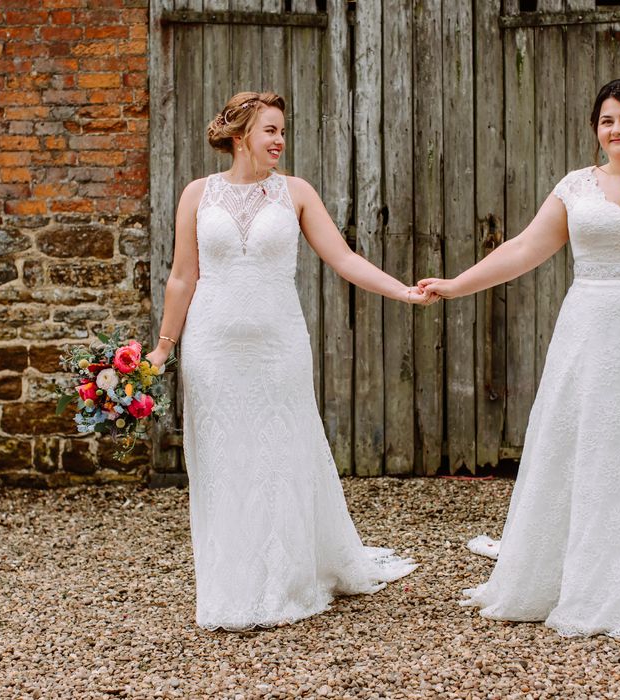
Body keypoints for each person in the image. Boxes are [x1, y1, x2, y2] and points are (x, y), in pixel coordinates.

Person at [146, 91, 431, 630]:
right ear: (239, 135)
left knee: (280, 452)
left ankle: (283, 579)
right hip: (213, 346)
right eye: (270, 130)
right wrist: (164, 345)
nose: (279, 141)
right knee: (225, 458)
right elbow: (184, 275)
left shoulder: (295, 193)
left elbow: (343, 258)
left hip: (279, 346)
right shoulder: (197, 195)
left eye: (282, 131)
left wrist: (403, 292)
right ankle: (231, 581)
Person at [419, 78, 620, 645]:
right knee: (587, 443)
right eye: (606, 120)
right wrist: (456, 284)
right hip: (590, 331)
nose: (615, 129)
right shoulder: (576, 185)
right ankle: (573, 574)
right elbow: (523, 249)